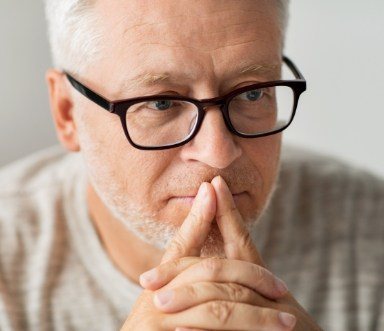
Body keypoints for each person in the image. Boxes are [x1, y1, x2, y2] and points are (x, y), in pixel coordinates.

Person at [0, 0, 382, 330]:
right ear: (67, 113)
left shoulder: (370, 229)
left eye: (251, 93)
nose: (218, 153)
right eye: (161, 103)